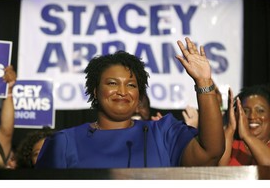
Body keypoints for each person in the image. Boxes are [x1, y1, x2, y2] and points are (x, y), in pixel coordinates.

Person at [36, 37, 225, 168]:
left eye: (131, 85)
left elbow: (211, 153)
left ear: (139, 93)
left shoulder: (163, 133)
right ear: (95, 90)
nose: (123, 91)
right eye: (112, 83)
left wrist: (204, 82)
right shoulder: (64, 142)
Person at [218, 84, 270, 166]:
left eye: (260, 111)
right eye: (245, 111)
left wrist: (247, 136)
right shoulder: (232, 146)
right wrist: (230, 127)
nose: (252, 116)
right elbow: (218, 168)